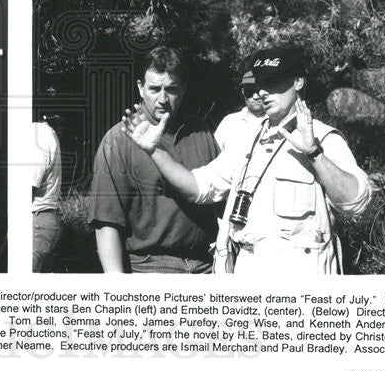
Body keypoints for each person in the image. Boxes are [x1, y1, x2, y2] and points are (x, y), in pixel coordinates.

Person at [122, 48, 371, 275]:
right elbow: (198, 187)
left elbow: (356, 203)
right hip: (248, 272)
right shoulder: (246, 139)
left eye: (272, 82)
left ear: (298, 81)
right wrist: (155, 151)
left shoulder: (322, 137)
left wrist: (314, 153)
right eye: (260, 82)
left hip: (301, 278)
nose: (262, 91)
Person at [89, 47, 221, 273]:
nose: (163, 99)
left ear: (184, 88)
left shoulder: (202, 132)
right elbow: (106, 220)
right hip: (150, 266)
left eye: (171, 89)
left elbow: (222, 202)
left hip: (205, 265)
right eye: (154, 89)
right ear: (140, 88)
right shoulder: (118, 140)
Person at [31, 118, 63, 272]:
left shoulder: (39, 133)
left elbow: (30, 183)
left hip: (38, 220)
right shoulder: (41, 132)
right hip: (40, 219)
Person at [213, 70, 266, 152]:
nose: (255, 97)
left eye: (258, 91)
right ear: (243, 92)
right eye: (250, 92)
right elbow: (214, 154)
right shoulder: (229, 122)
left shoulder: (277, 121)